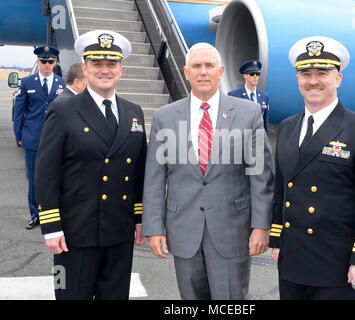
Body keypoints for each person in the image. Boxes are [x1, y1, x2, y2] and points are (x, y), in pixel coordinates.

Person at [142, 43, 274, 300]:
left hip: (232, 231)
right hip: (183, 231)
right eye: (196, 66)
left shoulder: (248, 113)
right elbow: (155, 178)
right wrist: (154, 227)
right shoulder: (165, 117)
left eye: (209, 66)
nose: (203, 72)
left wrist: (261, 226)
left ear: (220, 71)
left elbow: (260, 175)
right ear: (186, 71)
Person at [269, 36, 355, 300]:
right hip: (291, 260)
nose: (313, 80)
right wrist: (277, 241)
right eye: (305, 73)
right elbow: (281, 190)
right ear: (298, 79)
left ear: (338, 79)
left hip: (336, 265)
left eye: (322, 73)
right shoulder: (288, 127)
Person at [34, 30, 147, 300]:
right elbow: (46, 173)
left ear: (121, 69)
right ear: (85, 68)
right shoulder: (63, 111)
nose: (104, 70)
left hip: (120, 231)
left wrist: (140, 218)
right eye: (97, 64)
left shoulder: (134, 112)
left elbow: (139, 171)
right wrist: (51, 226)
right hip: (75, 234)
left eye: (111, 64)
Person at [13, 46, 66, 230]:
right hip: (32, 138)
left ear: (55, 63)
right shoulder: (27, 82)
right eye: (43, 61)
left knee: (56, 176)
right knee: (35, 179)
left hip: (56, 139)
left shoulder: (62, 83)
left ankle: (52, 214)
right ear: (38, 62)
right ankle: (35, 215)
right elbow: (19, 111)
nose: (47, 65)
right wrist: (19, 135)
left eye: (50, 61)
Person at [228, 60, 270, 133]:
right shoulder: (233, 95)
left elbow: (265, 123)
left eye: (257, 74)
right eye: (252, 74)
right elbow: (229, 122)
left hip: (257, 140)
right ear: (245, 75)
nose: (255, 76)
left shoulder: (264, 97)